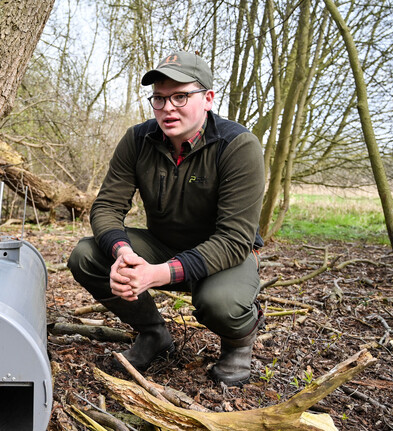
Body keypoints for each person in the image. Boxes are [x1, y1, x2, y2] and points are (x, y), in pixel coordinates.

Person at [68, 51, 265, 386]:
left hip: (226, 256)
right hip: (163, 246)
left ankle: (237, 345)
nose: (167, 108)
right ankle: (153, 335)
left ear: (208, 99)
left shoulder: (237, 146)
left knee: (220, 303)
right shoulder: (138, 139)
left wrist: (156, 274)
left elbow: (234, 240)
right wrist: (124, 254)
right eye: (159, 98)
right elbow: (107, 207)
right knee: (87, 255)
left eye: (180, 96)